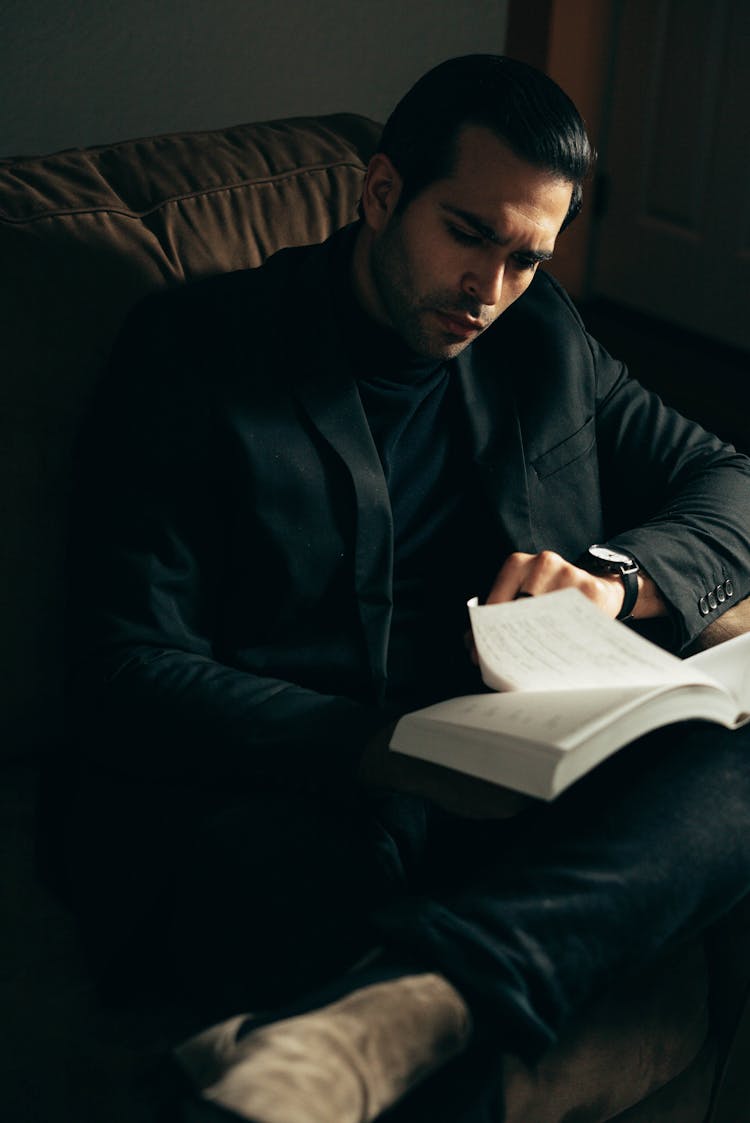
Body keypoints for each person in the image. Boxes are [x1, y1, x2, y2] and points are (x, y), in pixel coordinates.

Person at [60, 55, 750, 1122]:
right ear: (382, 193)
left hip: (509, 775)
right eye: (467, 234)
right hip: (296, 791)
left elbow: (733, 480)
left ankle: (414, 1002)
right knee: (449, 1061)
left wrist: (618, 579)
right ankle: (416, 1013)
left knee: (734, 762)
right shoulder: (193, 349)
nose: (490, 291)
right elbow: (122, 667)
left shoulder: (542, 336)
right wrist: (380, 747)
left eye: (527, 257)